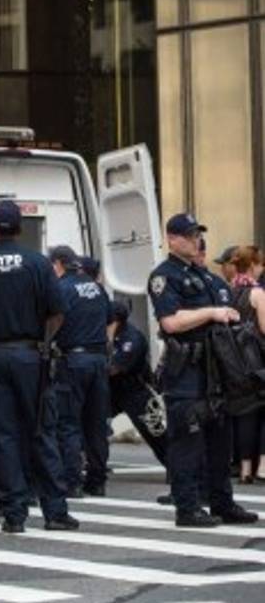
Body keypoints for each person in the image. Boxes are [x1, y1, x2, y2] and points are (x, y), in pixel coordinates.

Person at [0, 200, 78, 534]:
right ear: (20, 228)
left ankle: (14, 513)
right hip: (31, 356)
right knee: (42, 431)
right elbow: (58, 311)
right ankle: (55, 511)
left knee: (2, 435)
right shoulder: (37, 263)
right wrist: (44, 342)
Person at [147, 212, 258, 528]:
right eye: (189, 235)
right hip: (187, 370)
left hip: (217, 370)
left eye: (197, 234)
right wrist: (211, 312)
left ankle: (222, 502)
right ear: (172, 239)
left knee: (220, 441)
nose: (196, 240)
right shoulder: (165, 277)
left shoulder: (209, 279)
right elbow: (171, 322)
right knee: (187, 441)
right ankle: (187, 507)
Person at [49, 245, 112, 498]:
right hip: (98, 360)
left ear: (58, 264)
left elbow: (54, 320)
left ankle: (71, 480)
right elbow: (110, 319)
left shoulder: (61, 288)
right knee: (96, 423)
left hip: (73, 360)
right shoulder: (96, 287)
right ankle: (97, 480)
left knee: (68, 422)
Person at [108, 300, 167, 467]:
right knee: (92, 423)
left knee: (155, 432)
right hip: (112, 390)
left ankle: (176, 468)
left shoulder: (132, 338)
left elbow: (114, 368)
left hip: (136, 391)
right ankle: (93, 464)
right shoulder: (104, 334)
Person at [228, 246, 265, 484]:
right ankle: (262, 466)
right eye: (260, 264)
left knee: (243, 414)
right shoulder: (257, 293)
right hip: (257, 362)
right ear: (252, 265)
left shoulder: (227, 291)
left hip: (232, 362)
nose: (262, 268)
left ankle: (244, 470)